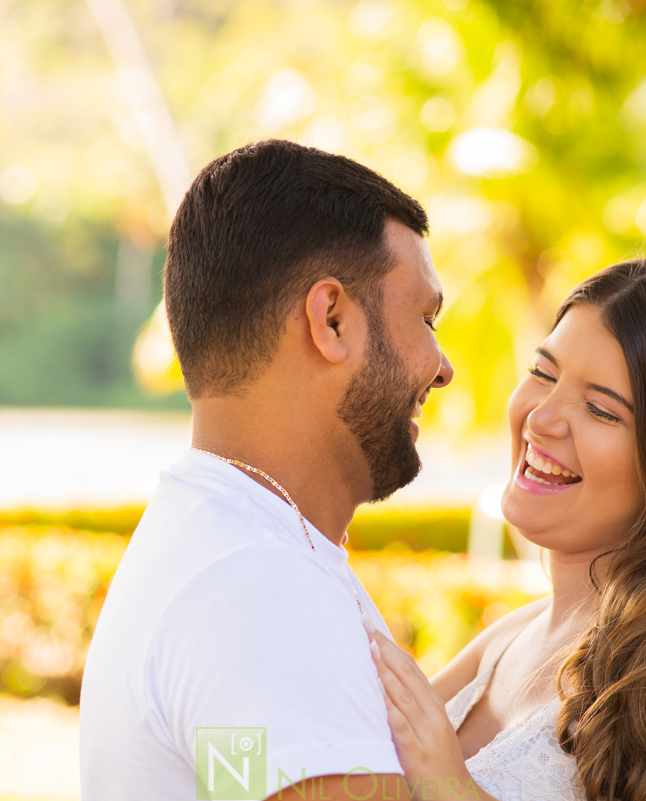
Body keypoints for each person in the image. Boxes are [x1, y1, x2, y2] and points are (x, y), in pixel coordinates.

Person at [367, 257, 646, 801]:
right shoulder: (511, 638)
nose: (541, 418)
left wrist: (450, 789)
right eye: (543, 374)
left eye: (602, 410)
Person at [79, 139, 453, 801]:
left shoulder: (226, 545)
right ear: (331, 318)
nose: (443, 365)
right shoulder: (259, 583)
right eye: (425, 318)